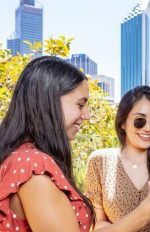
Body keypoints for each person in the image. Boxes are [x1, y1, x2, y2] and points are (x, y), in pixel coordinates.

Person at [0, 56, 96, 231]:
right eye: (80, 105)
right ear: (49, 102)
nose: (86, 115)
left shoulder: (20, 156)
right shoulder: (33, 165)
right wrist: (145, 213)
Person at [84, 86, 150, 231]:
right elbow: (98, 224)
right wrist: (144, 214)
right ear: (123, 122)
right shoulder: (99, 161)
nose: (148, 128)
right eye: (139, 121)